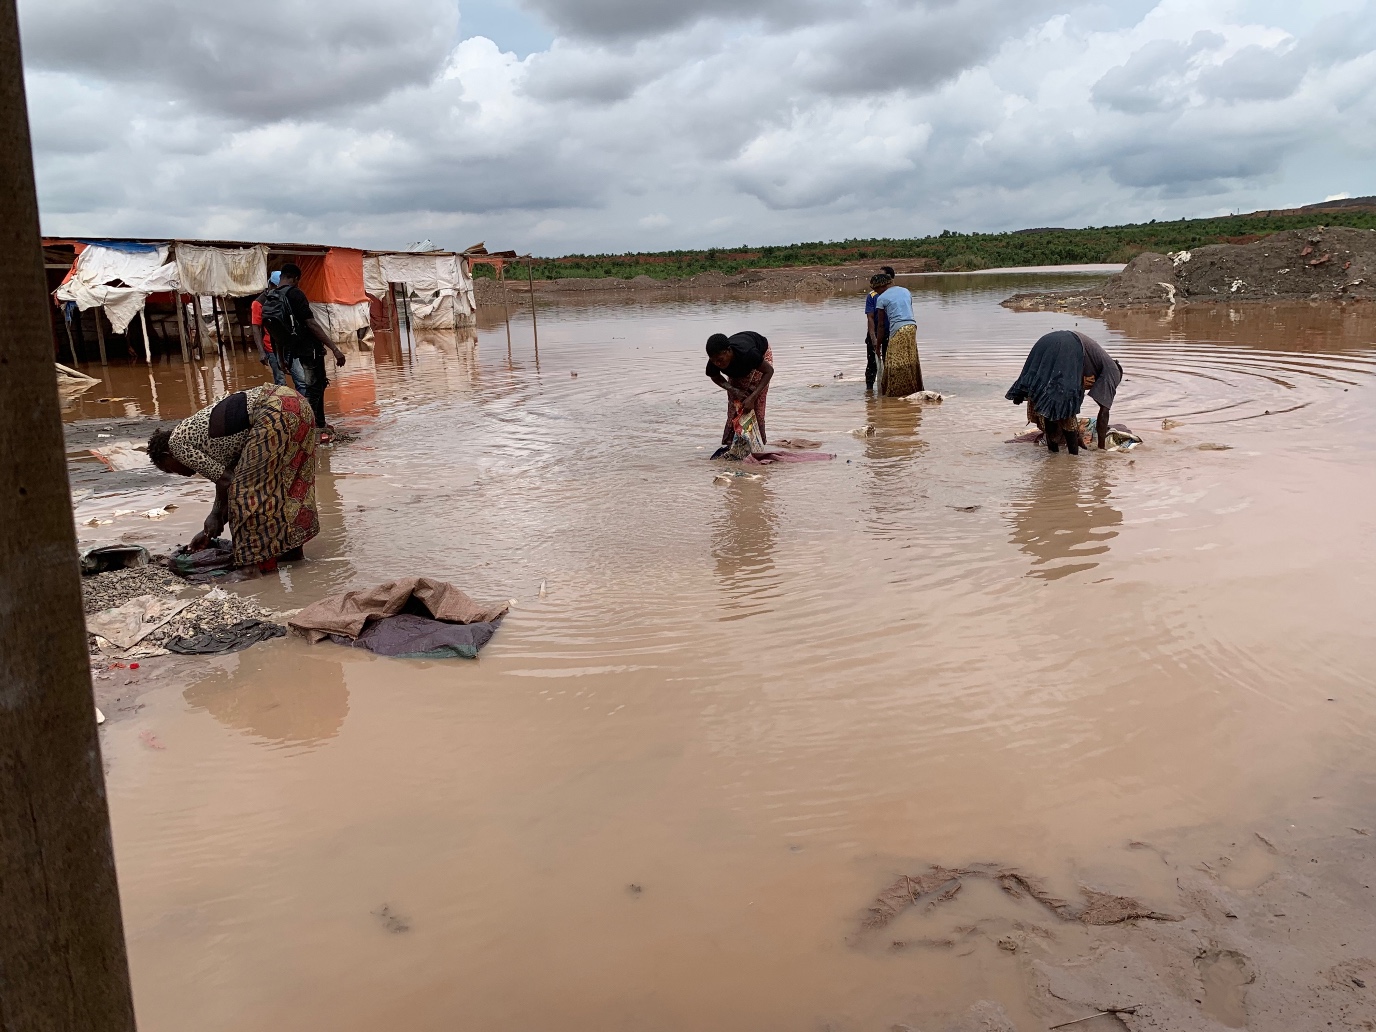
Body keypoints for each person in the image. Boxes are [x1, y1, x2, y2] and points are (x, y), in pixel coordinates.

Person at [146, 384, 319, 570]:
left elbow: (230, 483)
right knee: (290, 482)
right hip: (296, 403)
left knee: (246, 494)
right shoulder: (214, 445)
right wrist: (210, 528)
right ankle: (292, 552)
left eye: (171, 470)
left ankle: (251, 568)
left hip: (272, 411)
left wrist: (214, 516)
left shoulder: (176, 444)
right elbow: (231, 480)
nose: (180, 474)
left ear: (167, 455)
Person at [259, 263, 346, 443]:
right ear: (296, 278)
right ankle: (311, 430)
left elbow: (275, 332)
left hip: (293, 348)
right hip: (309, 348)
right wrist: (335, 349)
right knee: (314, 387)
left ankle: (319, 423)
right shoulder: (295, 294)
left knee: (317, 384)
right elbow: (311, 324)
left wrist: (281, 358)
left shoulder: (271, 297)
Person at [1005, 329, 1123, 454]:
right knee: (1064, 406)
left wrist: (1078, 436)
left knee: (1047, 399)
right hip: (1068, 345)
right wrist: (1101, 449)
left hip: (1045, 341)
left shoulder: (1088, 365)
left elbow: (1076, 397)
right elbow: (1104, 412)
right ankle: (1072, 457)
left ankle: (1052, 456)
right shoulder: (1113, 371)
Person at [705, 330, 774, 447]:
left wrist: (752, 397)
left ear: (729, 351)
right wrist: (734, 390)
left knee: (756, 405)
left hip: (761, 356)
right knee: (735, 405)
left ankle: (758, 444)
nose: (718, 364)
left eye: (720, 360)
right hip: (739, 367)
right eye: (714, 361)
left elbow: (769, 371)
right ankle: (731, 443)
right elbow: (715, 376)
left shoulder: (748, 353)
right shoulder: (715, 360)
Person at [873, 272, 922, 396]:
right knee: (910, 359)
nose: (875, 292)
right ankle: (913, 388)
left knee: (894, 362)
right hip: (912, 327)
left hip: (898, 330)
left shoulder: (882, 298)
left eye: (875, 289)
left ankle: (896, 393)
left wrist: (878, 346)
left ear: (881, 286)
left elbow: (881, 326)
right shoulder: (905, 291)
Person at [251, 271, 287, 387]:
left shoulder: (285, 297)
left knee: (300, 380)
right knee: (280, 381)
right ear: (271, 285)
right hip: (271, 348)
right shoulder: (258, 303)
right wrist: (261, 352)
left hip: (288, 346)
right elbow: (256, 328)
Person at [863, 271, 892, 390]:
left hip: (889, 332)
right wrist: (873, 338)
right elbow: (870, 318)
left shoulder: (892, 295)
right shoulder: (872, 296)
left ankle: (887, 389)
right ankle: (869, 390)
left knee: (888, 362)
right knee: (872, 364)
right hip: (875, 332)